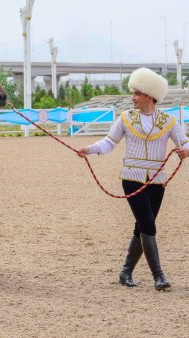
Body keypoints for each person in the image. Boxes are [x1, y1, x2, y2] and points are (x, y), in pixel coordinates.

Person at [77, 67, 189, 291]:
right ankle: (159, 276)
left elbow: (184, 143)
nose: (133, 97)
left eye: (137, 93)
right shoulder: (126, 118)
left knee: (142, 227)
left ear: (149, 95)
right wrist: (89, 149)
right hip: (131, 179)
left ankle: (125, 271)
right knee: (148, 224)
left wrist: (187, 151)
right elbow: (109, 143)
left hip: (157, 182)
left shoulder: (169, 121)